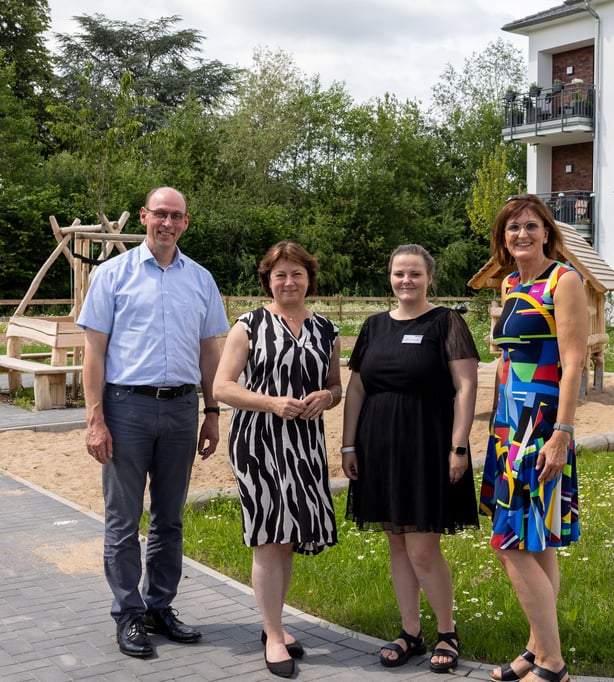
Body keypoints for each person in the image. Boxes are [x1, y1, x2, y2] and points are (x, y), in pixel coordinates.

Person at [77, 187, 230, 659]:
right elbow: (94, 353)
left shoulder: (201, 279)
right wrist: (95, 419)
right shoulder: (112, 274)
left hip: (183, 409)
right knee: (123, 519)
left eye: (176, 216)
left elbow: (210, 353)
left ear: (186, 223)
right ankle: (128, 613)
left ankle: (160, 607)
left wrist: (210, 412)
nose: (167, 222)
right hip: (127, 409)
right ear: (144, 216)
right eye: (159, 214)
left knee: (170, 517)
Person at [342, 244, 479, 674]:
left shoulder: (446, 322)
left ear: (429, 278)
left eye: (415, 274)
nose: (406, 281)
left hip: (429, 444)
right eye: (399, 273)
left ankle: (447, 632)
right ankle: (409, 633)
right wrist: (348, 445)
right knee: (396, 543)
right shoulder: (373, 326)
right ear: (390, 277)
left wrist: (459, 446)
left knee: (422, 547)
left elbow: (466, 388)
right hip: (379, 446)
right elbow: (357, 390)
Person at [213, 241, 342, 678]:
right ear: (267, 279)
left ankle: (277, 623)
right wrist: (270, 403)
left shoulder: (326, 328)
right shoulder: (248, 325)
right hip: (259, 441)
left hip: (305, 442)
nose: (289, 282)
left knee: (288, 536)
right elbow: (222, 387)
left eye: (297, 274)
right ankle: (271, 633)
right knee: (269, 534)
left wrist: (328, 396)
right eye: (280, 274)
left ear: (310, 279)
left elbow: (336, 386)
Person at [479, 194, 587, 682]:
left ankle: (553, 663)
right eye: (511, 228)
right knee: (536, 539)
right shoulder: (509, 283)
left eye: (529, 226)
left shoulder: (563, 281)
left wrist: (562, 433)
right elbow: (508, 358)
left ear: (547, 231)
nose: (520, 234)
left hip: (540, 425)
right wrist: (495, 421)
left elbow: (574, 362)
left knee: (510, 541)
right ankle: (534, 647)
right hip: (508, 423)